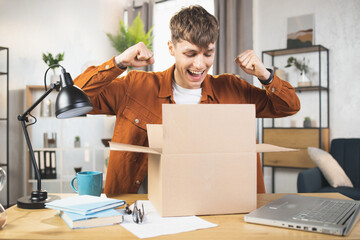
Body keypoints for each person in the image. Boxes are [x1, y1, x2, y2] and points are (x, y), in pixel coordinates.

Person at [74, 5, 300, 195]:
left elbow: (289, 106)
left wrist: (265, 76)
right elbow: (78, 94)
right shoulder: (135, 86)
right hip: (146, 209)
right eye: (190, 54)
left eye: (208, 53)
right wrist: (119, 62)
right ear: (171, 48)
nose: (200, 64)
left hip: (217, 206)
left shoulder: (233, 89)